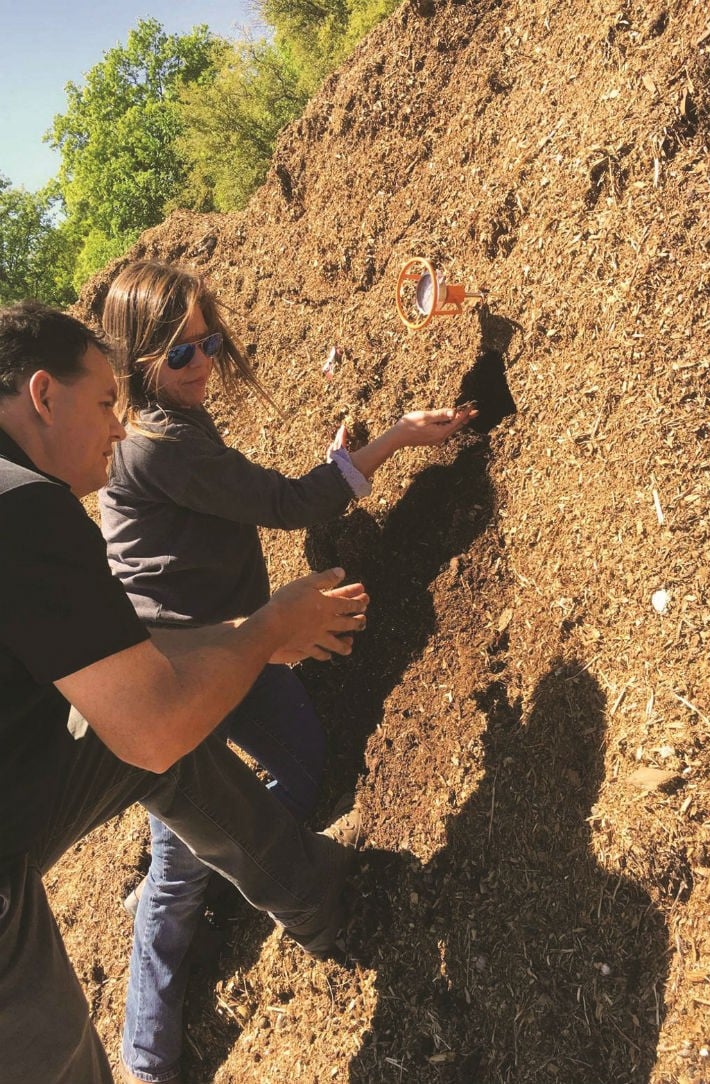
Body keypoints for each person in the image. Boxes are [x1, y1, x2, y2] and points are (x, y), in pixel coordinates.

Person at [98, 259, 477, 1084]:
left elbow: (259, 500)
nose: (203, 362)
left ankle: (216, 854)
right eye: (181, 353)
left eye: (210, 340)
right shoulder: (156, 443)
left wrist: (331, 471)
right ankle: (147, 1060)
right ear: (138, 364)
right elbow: (285, 506)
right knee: (175, 864)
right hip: (184, 666)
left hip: (241, 637)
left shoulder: (175, 423)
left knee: (301, 759)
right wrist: (398, 439)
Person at [0, 299, 371, 1084]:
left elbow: (127, 670)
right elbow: (154, 721)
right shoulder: (22, 506)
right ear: (42, 395)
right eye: (104, 404)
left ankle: (316, 896)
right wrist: (268, 630)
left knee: (167, 754)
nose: (116, 425)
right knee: (63, 1063)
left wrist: (252, 634)